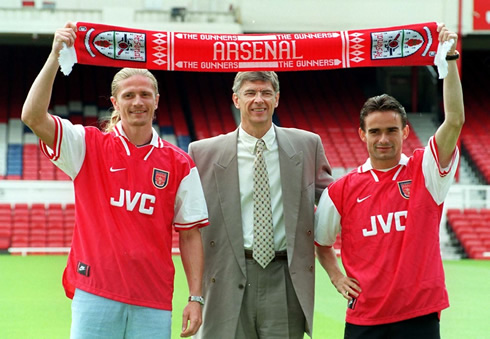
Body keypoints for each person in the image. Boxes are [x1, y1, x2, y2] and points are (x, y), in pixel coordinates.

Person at [21, 22, 209, 338]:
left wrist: (195, 297)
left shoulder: (180, 163)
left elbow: (190, 236)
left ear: (157, 101)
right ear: (115, 103)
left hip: (153, 299)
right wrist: (55, 56)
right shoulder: (87, 145)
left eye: (145, 95)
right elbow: (32, 116)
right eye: (129, 95)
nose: (138, 102)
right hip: (95, 291)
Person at [314, 24, 464, 338]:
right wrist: (336, 277)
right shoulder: (341, 190)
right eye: (375, 131)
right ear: (362, 135)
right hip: (364, 318)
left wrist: (449, 59)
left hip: (419, 315)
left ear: (405, 132)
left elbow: (455, 120)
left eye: (392, 130)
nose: (384, 139)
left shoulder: (426, 171)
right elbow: (321, 243)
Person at [188, 71, 333, 338]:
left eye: (266, 93)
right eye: (250, 93)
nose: (259, 100)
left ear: (277, 99)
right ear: (236, 99)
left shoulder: (307, 145)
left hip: (285, 276)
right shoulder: (203, 152)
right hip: (227, 275)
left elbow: (334, 200)